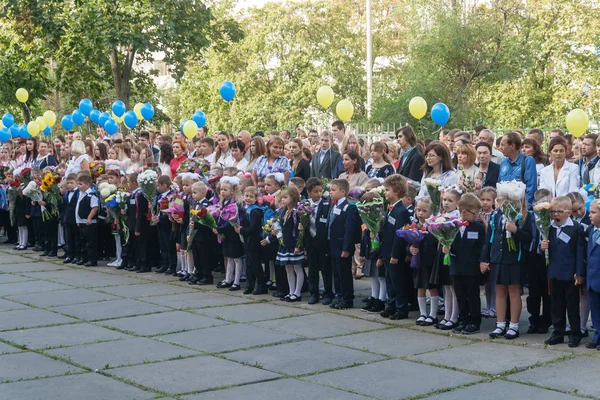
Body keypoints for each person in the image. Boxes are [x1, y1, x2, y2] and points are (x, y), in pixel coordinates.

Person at [482, 194, 532, 340]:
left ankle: (514, 325)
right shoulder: (496, 214)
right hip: (498, 258)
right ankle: (500, 324)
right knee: (499, 291)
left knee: (514, 291)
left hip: (514, 259)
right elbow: (489, 238)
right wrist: (484, 259)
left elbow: (528, 237)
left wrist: (515, 230)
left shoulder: (523, 215)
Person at [541, 196, 585, 347]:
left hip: (569, 272)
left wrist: (579, 273)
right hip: (554, 271)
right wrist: (544, 248)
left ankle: (575, 333)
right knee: (556, 304)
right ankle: (557, 332)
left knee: (572, 305)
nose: (555, 214)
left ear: (569, 212)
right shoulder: (549, 227)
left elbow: (579, 252)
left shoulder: (575, 228)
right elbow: (547, 251)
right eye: (553, 211)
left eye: (559, 211)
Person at [448, 193, 486, 334]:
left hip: (471, 268)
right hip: (456, 266)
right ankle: (463, 318)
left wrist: (481, 261)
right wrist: (446, 246)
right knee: (460, 295)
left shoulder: (478, 227)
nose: (477, 216)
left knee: (473, 295)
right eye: (475, 213)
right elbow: (449, 243)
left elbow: (482, 246)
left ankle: (475, 321)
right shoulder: (452, 225)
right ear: (464, 211)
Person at [377, 175, 411, 320]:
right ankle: (391, 304)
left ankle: (401, 308)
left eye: (387, 190)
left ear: (396, 191)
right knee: (390, 280)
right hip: (387, 250)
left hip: (394, 253)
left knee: (398, 281)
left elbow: (400, 235)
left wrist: (395, 255)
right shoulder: (391, 208)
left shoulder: (401, 211)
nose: (385, 192)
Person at [327, 178, 361, 309]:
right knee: (336, 272)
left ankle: (347, 298)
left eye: (333, 190)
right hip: (333, 244)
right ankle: (339, 295)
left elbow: (349, 230)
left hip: (342, 246)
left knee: (344, 273)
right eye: (330, 190)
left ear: (343, 192)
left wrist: (347, 247)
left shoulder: (348, 207)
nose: (330, 192)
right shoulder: (334, 205)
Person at [410, 197, 439, 326]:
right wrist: (410, 249)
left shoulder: (434, 226)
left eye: (424, 211)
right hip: (419, 261)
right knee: (420, 287)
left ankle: (433, 314)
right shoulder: (414, 225)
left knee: (432, 287)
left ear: (431, 212)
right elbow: (409, 242)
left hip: (430, 261)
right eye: (418, 210)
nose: (420, 213)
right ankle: (423, 313)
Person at [303, 178, 332, 305]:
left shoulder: (326, 204)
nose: (319, 194)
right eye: (315, 191)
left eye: (320, 191)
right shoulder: (304, 205)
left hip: (323, 241)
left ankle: (328, 293)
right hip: (310, 241)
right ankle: (313, 293)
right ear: (309, 192)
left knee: (326, 269)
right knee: (312, 269)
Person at [273, 186, 304, 302]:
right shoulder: (284, 212)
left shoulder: (297, 212)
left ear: (294, 197)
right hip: (285, 244)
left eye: (285, 197)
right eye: (281, 198)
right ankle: (291, 291)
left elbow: (299, 230)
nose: (282, 200)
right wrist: (275, 231)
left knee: (297, 268)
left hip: (293, 244)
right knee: (288, 268)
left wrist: (298, 245)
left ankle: (297, 292)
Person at [215, 177, 245, 291]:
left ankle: (236, 281)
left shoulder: (237, 203)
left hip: (234, 234)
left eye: (225, 190)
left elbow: (232, 220)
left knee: (236, 258)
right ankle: (228, 278)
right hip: (226, 234)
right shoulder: (224, 202)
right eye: (221, 189)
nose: (222, 192)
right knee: (229, 257)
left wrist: (220, 228)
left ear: (232, 191)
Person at [238, 186, 267, 294]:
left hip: (254, 240)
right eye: (246, 196)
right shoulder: (245, 208)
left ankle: (261, 285)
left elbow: (254, 228)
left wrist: (241, 230)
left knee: (255, 263)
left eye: (251, 196)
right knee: (249, 263)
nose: (248, 198)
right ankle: (250, 285)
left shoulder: (255, 210)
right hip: (248, 240)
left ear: (256, 198)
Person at [188, 181, 217, 285]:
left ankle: (207, 275)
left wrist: (196, 225)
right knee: (196, 256)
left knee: (204, 256)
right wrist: (189, 233)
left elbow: (207, 222)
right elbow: (191, 219)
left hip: (204, 237)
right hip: (195, 235)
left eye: (195, 192)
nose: (193, 195)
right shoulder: (194, 204)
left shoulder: (207, 205)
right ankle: (198, 273)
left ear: (203, 193)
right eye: (192, 192)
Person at [498, 131, 538, 207]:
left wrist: (525, 208)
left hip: (521, 208)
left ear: (512, 146)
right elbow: (499, 184)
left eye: (503, 145)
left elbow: (531, 187)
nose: (500, 148)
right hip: (505, 207)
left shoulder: (527, 161)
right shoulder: (504, 162)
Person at [585, 199, 600, 350]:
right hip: (592, 277)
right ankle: (597, 335)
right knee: (594, 309)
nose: (590, 215)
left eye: (594, 212)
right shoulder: (591, 230)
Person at [75, 174, 99, 267]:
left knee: (90, 242)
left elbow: (94, 207)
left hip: (89, 222)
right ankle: (84, 258)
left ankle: (92, 259)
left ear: (87, 185)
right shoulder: (81, 194)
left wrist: (89, 218)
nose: (78, 186)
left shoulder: (91, 195)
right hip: (81, 221)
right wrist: (78, 220)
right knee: (83, 241)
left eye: (80, 184)